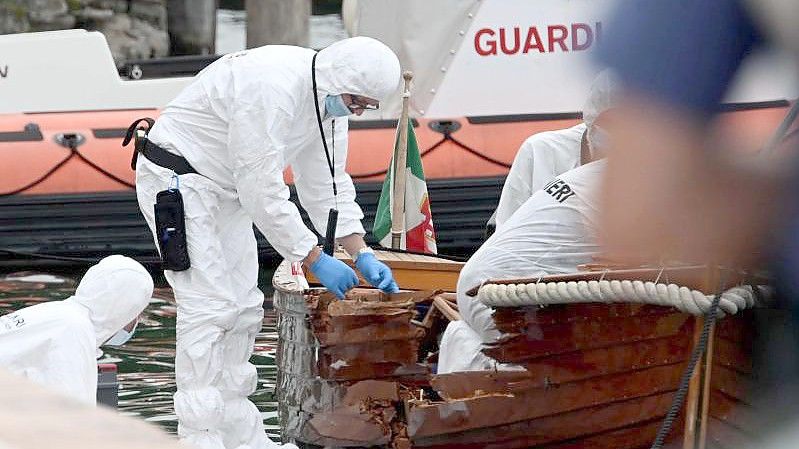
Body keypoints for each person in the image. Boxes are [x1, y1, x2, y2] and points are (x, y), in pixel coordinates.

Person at [133, 37, 400, 449]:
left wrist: (360, 250)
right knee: (209, 306)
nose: (357, 111)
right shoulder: (271, 87)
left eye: (366, 106)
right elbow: (260, 186)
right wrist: (312, 257)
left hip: (226, 191)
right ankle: (199, 435)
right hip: (180, 181)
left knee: (243, 308)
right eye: (355, 101)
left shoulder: (329, 106)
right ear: (336, 82)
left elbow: (327, 185)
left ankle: (240, 432)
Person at [439, 159, 607, 373]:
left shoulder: (596, 175)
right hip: (505, 296)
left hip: (483, 283)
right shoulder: (632, 185)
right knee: (543, 374)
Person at [0, 255, 153, 405]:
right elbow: (73, 416)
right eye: (136, 313)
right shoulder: (75, 331)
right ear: (124, 311)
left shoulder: (58, 313)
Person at [492, 70, 618, 230]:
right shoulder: (541, 153)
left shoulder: (654, 167)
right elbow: (506, 232)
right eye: (612, 123)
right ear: (591, 119)